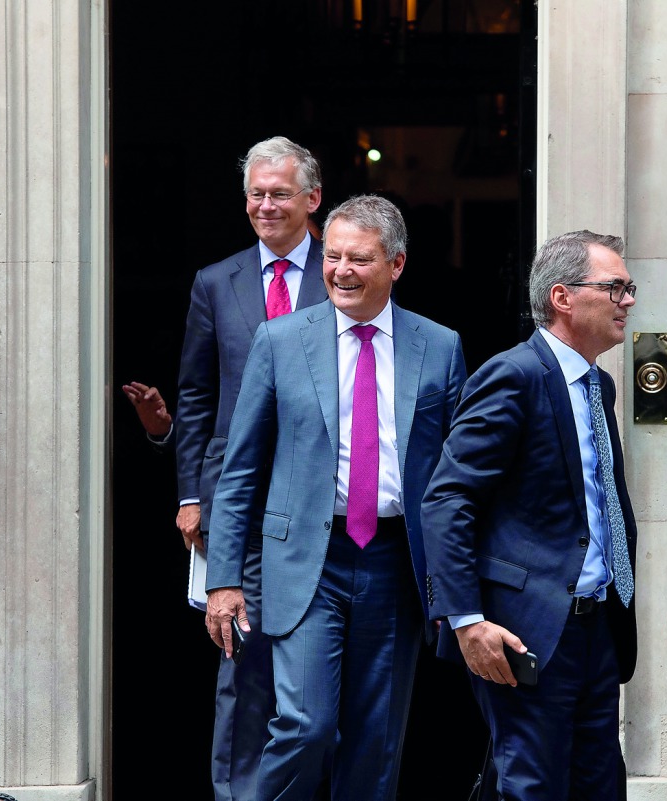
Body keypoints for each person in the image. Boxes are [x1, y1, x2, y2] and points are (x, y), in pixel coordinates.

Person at [203, 195, 467, 801]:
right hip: (306, 564)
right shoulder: (280, 340)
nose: (341, 271)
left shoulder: (440, 346)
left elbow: (458, 478)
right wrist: (224, 579)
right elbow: (240, 470)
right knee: (306, 727)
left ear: (396, 265)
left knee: (376, 747)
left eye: (360, 259)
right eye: (333, 256)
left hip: (397, 564)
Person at [421, 230, 639, 801]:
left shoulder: (600, 384)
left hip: (597, 624)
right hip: (528, 629)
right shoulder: (512, 377)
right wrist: (466, 619)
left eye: (628, 287)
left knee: (600, 785)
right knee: (533, 787)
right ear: (564, 297)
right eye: (615, 287)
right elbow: (448, 500)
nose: (628, 300)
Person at [174, 136, 328, 801]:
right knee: (243, 660)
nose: (265, 205)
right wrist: (189, 493)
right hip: (235, 503)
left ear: (312, 199)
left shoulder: (343, 269)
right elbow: (197, 393)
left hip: (319, 496)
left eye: (279, 193)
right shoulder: (217, 280)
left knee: (317, 671)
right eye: (256, 194)